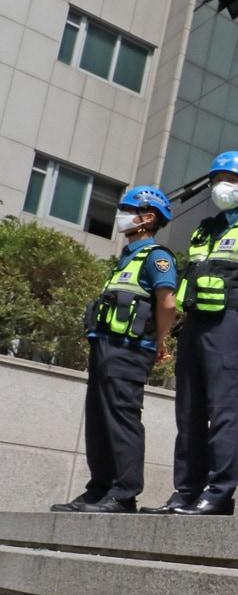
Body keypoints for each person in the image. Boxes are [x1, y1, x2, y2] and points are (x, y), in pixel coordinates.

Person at [141, 152, 238, 516]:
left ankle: (218, 493)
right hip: (196, 326)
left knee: (224, 413)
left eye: (230, 179)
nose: (221, 186)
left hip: (232, 324)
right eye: (217, 178)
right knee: (188, 412)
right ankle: (185, 491)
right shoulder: (204, 229)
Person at [51, 188, 178, 514]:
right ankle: (99, 489)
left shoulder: (155, 257)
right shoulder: (126, 259)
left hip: (131, 350)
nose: (120, 214)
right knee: (98, 419)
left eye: (127, 209)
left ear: (147, 218)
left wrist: (159, 340)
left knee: (122, 418)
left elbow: (168, 303)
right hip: (106, 348)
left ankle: (123, 494)